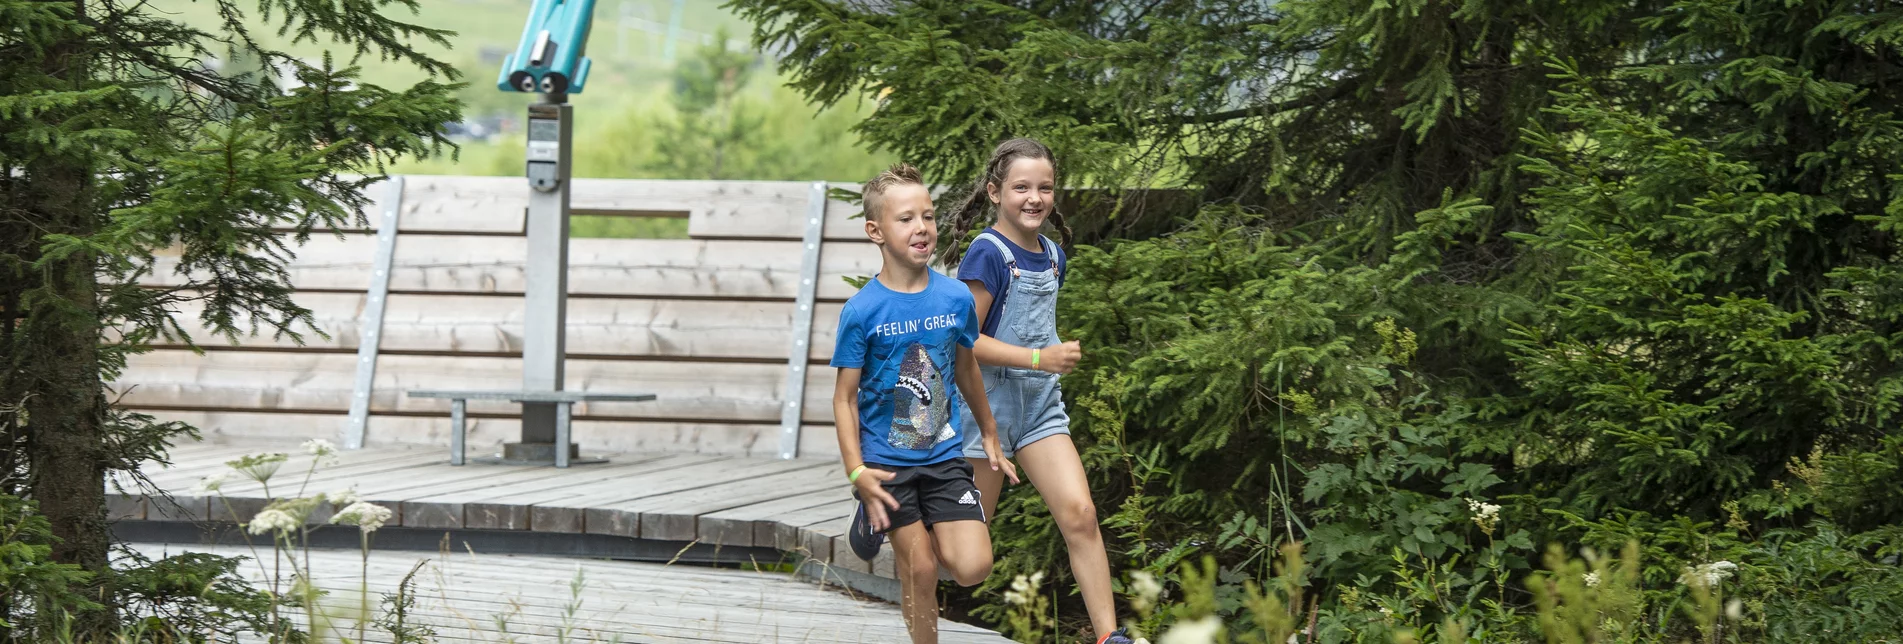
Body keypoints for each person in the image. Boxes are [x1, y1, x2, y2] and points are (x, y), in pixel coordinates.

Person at [946, 138, 1133, 644]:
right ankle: (902, 516)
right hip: (983, 412)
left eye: (1045, 187)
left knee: (1081, 514)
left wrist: (1046, 360)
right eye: (1021, 187)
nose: (1035, 198)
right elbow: (966, 342)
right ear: (994, 192)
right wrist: (1038, 357)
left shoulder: (1052, 255)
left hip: (1040, 412)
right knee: (967, 563)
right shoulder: (988, 253)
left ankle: (1108, 637)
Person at [833, 163, 1020, 644]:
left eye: (929, 216)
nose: (922, 228)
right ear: (875, 230)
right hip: (885, 465)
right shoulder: (863, 311)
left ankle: (919, 525)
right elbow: (845, 398)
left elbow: (966, 368)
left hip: (943, 457)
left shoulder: (955, 297)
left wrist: (991, 433)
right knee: (919, 566)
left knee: (973, 567)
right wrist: (857, 470)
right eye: (906, 219)